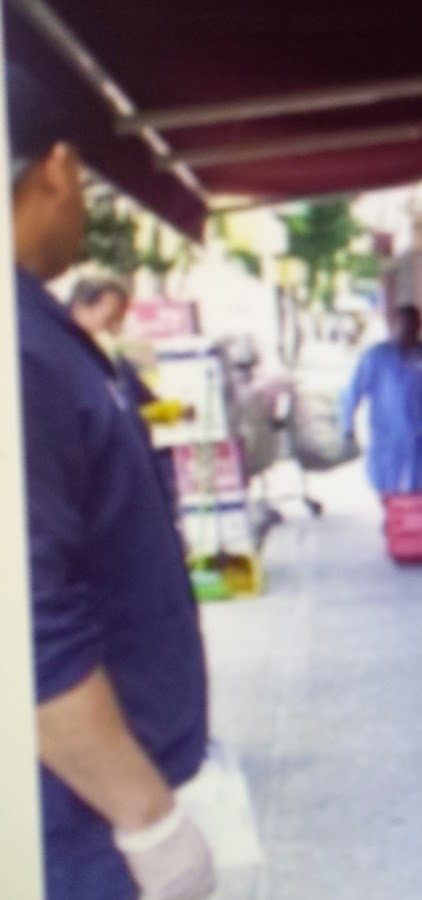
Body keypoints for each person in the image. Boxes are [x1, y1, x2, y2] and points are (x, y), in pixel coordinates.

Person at [8, 65, 214, 900]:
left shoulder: (34, 328)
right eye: (83, 180)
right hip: (73, 823)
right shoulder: (15, 351)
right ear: (56, 167)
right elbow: (24, 622)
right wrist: (147, 819)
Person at [67, 278, 181, 507]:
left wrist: (178, 412)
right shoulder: (63, 359)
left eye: (121, 318)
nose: (117, 327)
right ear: (80, 309)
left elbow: (144, 407)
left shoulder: (115, 361)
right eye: (110, 318)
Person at [340, 304, 422, 495]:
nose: (408, 331)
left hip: (421, 435)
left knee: (419, 491)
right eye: (403, 325)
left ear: (420, 327)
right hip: (386, 436)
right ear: (394, 326)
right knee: (385, 487)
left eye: (413, 326)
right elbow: (353, 391)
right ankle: (393, 520)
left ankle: (413, 522)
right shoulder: (376, 357)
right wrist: (347, 425)